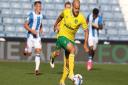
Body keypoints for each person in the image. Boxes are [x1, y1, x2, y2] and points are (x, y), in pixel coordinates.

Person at [52, 0, 89, 85]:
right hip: (61, 36)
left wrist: (85, 43)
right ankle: (71, 74)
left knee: (68, 63)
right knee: (72, 49)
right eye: (75, 8)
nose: (77, 10)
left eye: (78, 8)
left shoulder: (81, 17)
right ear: (72, 6)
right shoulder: (66, 12)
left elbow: (86, 31)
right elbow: (59, 17)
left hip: (71, 39)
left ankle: (62, 81)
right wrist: (55, 25)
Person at [50, 1, 71, 68]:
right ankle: (52, 57)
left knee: (68, 53)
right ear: (64, 8)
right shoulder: (62, 16)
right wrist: (56, 27)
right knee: (57, 53)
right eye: (67, 7)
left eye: (69, 8)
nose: (68, 9)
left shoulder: (70, 17)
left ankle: (68, 70)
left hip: (67, 37)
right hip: (60, 37)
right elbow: (56, 26)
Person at [24, 1, 43, 75]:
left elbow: (40, 22)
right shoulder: (31, 15)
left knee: (38, 51)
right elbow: (25, 25)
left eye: (40, 6)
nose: (40, 8)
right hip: (30, 37)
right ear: (35, 7)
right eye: (38, 6)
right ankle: (26, 49)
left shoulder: (41, 15)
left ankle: (37, 69)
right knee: (29, 53)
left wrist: (41, 28)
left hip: (37, 37)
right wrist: (32, 31)